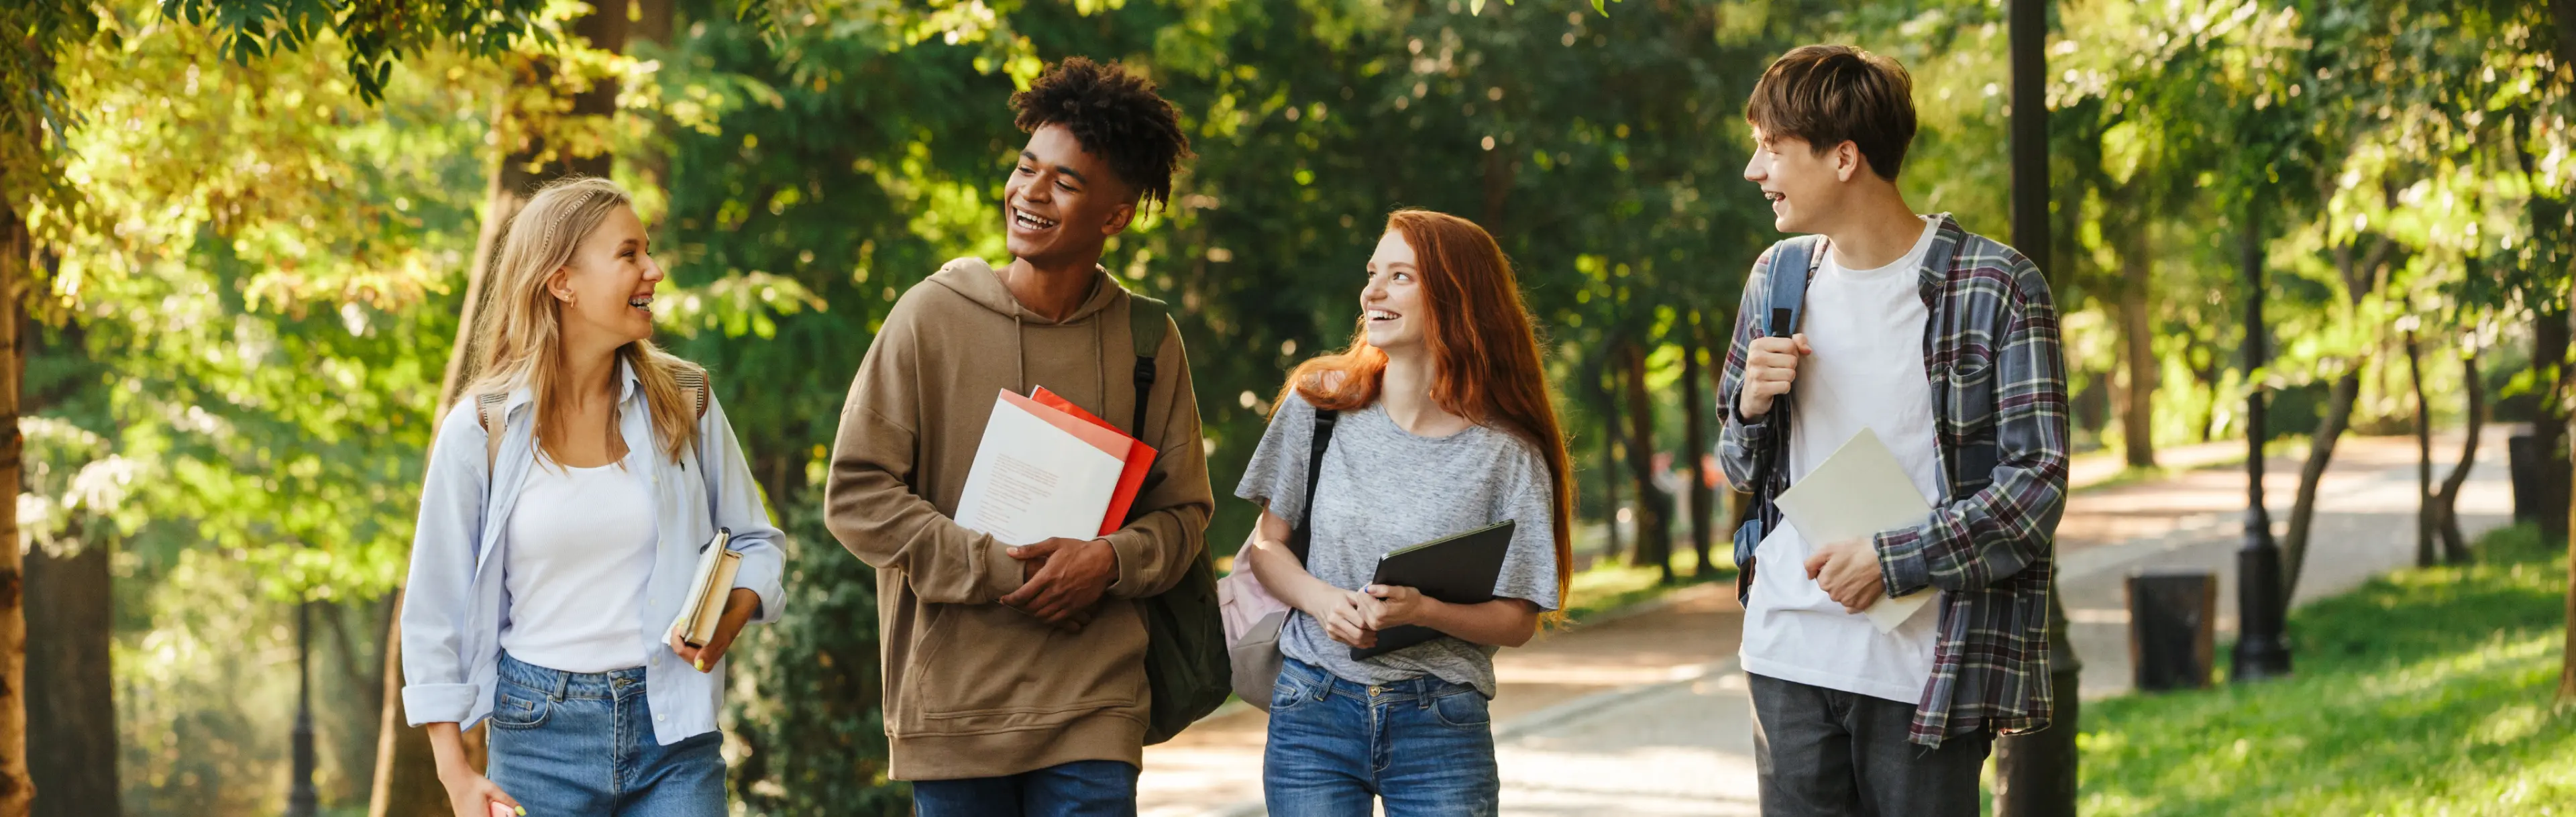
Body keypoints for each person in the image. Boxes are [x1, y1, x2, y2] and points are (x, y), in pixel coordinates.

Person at [822, 56, 1210, 816]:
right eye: (1027, 168)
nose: (1031, 192)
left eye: (1064, 182)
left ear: (1116, 216)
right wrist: (1003, 569)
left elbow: (1186, 516)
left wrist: (1106, 561)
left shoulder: (1147, 340)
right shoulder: (929, 317)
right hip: (955, 706)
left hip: (1095, 706)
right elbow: (858, 495)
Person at [1716, 45, 2071, 817]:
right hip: (1787, 652)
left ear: (1844, 157)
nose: (1755, 170)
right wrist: (1749, 406)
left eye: (1771, 148)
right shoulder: (1776, 279)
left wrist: (1892, 559)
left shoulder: (1996, 286)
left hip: (1924, 664)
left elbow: (2035, 483)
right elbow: (1741, 466)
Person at [400, 176, 786, 817]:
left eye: (648, 252)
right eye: (629, 254)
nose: (654, 271)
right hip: (536, 740)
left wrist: (734, 609)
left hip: (674, 737)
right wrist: (456, 776)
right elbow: (433, 608)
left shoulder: (685, 401)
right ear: (562, 283)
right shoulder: (481, 429)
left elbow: (755, 542)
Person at [1236, 209, 1575, 817]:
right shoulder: (1319, 407)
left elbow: (1518, 620)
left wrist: (1424, 611)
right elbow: (1267, 546)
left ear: (1457, 298)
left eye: (1401, 276)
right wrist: (1323, 602)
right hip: (1312, 706)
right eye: (1373, 273)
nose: (1372, 291)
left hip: (1441, 719)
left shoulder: (1509, 454)